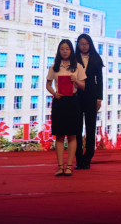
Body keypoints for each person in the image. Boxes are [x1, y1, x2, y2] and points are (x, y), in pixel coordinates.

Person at [46, 39, 86, 177]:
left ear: (71, 51)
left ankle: (69, 166)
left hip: (72, 101)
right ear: (59, 51)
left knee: (72, 134)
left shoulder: (78, 66)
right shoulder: (54, 67)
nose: (64, 51)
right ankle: (60, 167)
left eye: (67, 49)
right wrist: (54, 93)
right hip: (59, 101)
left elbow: (83, 85)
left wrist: (76, 81)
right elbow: (48, 85)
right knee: (59, 135)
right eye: (62, 49)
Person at [74, 34, 104, 170]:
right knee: (77, 128)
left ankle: (88, 158)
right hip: (77, 96)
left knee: (91, 128)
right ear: (78, 45)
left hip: (92, 97)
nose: (84, 46)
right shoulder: (73, 59)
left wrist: (99, 98)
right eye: (81, 44)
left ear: (90, 44)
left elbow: (100, 80)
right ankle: (78, 158)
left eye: (86, 43)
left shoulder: (96, 58)